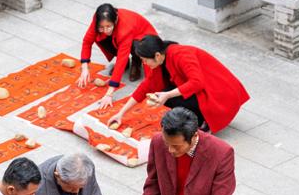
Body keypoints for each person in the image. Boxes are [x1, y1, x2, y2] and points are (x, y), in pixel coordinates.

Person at [107, 34, 249, 132]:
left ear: (157, 55)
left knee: (168, 97)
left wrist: (168, 95)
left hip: (219, 93)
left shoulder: (180, 55)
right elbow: (145, 86)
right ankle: (194, 115)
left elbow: (197, 82)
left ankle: (204, 120)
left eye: (145, 60)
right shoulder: (160, 60)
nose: (144, 63)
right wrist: (121, 113)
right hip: (204, 87)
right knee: (162, 95)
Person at [78, 3, 158, 107]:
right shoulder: (98, 18)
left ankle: (136, 60)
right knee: (100, 38)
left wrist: (109, 94)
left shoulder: (125, 28)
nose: (105, 30)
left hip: (143, 40)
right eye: (101, 27)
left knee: (137, 47)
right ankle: (129, 63)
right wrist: (84, 68)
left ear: (115, 20)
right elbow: (87, 41)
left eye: (108, 26)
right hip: (122, 37)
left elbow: (121, 59)